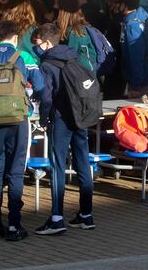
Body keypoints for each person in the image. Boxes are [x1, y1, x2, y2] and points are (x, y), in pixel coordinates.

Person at [0, 21, 44, 241]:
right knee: (15, 171)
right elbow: (40, 85)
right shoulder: (25, 57)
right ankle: (14, 225)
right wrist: (31, 103)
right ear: (15, 38)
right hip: (18, 119)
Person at [34, 23, 96, 235]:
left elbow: (46, 96)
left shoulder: (47, 64)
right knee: (83, 163)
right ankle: (86, 215)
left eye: (37, 43)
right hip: (81, 116)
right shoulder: (74, 56)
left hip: (60, 118)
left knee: (58, 166)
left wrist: (43, 118)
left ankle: (57, 218)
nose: (36, 47)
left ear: (47, 42)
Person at [119, 0, 148, 98]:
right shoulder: (141, 13)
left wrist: (135, 86)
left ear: (124, 4)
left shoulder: (131, 26)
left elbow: (136, 57)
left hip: (141, 82)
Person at [55, 0, 97, 73]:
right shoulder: (74, 29)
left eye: (56, 4)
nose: (54, 6)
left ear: (63, 9)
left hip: (79, 78)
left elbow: (69, 57)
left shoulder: (75, 33)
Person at [102, 0, 127, 100]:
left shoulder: (116, 22)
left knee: (112, 95)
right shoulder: (123, 20)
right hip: (119, 66)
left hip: (115, 66)